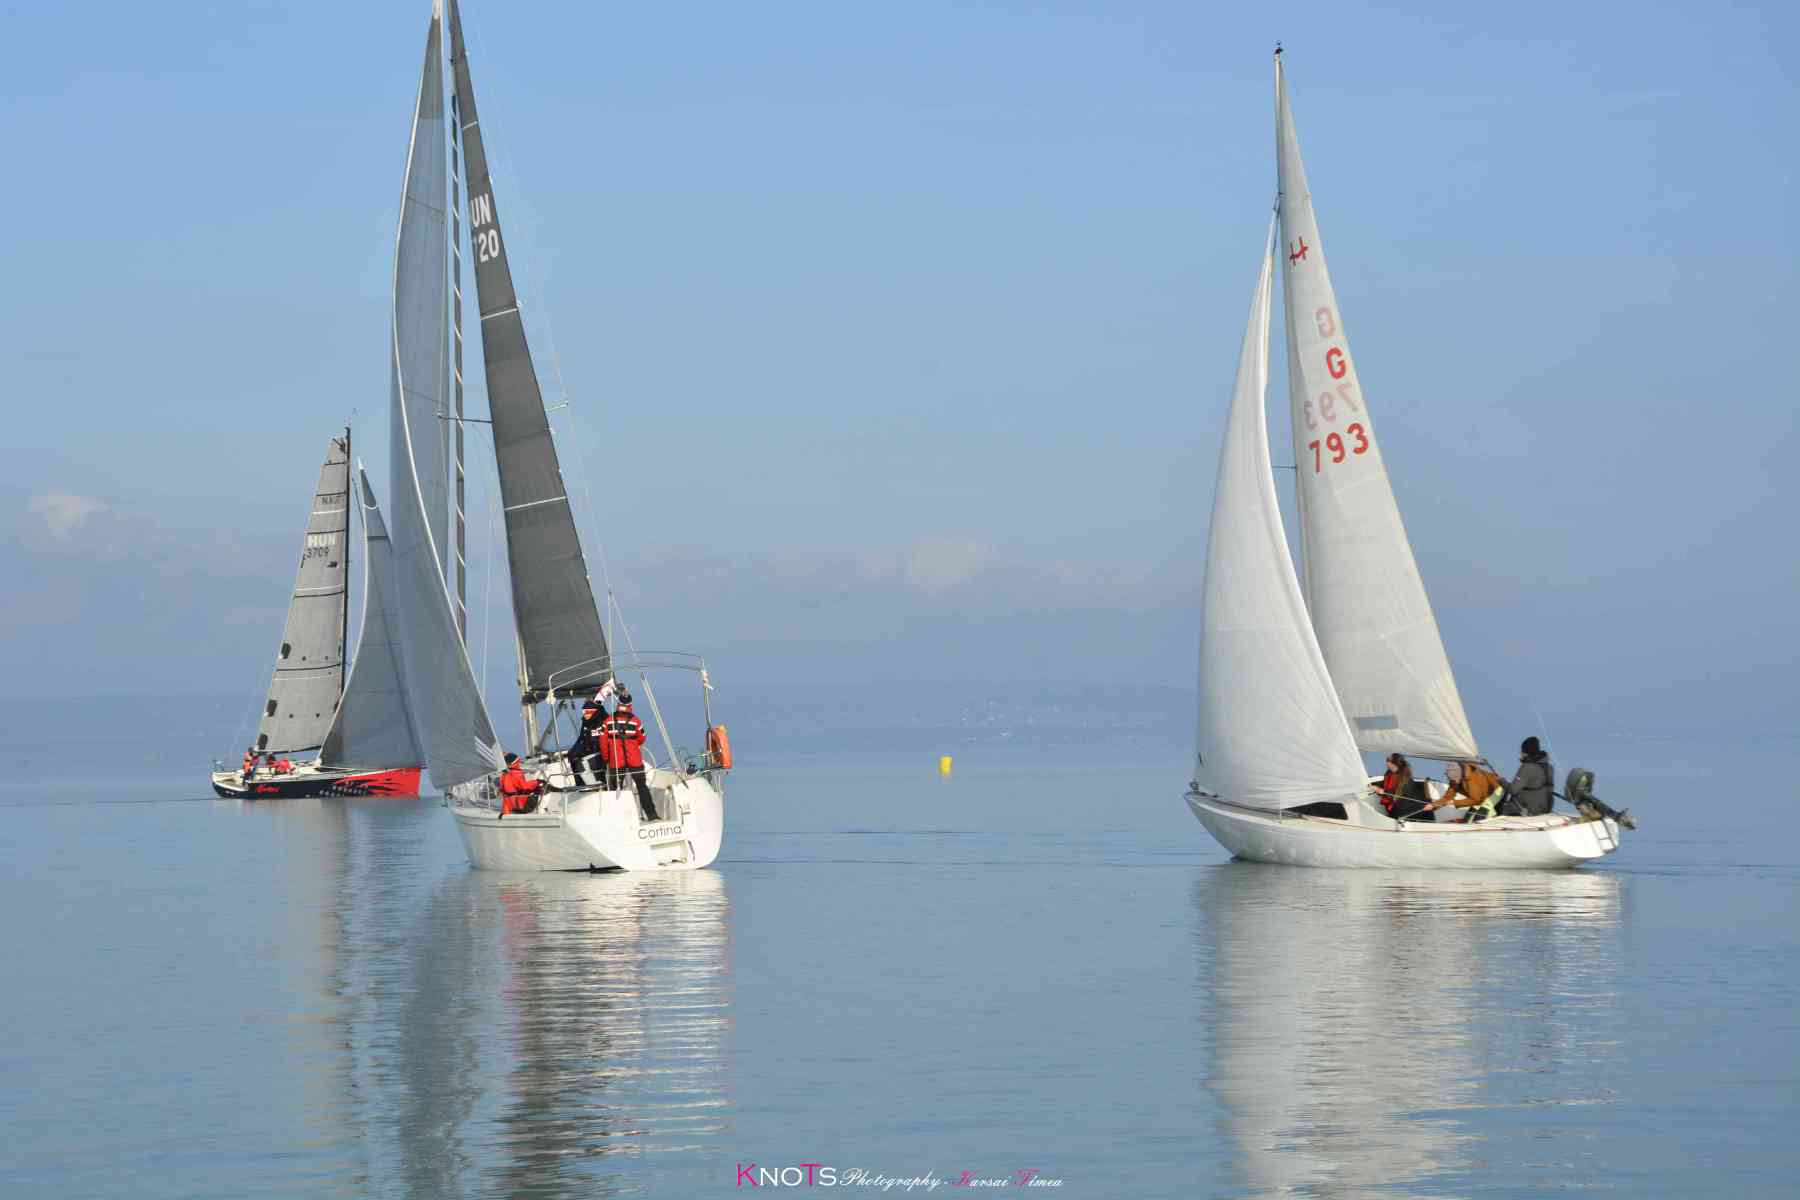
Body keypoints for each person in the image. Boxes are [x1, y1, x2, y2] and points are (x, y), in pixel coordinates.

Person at [603, 691, 657, 821]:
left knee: (615, 790)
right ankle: (652, 815)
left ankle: (618, 819)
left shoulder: (608, 721)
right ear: (630, 704)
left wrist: (606, 758)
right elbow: (642, 738)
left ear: (618, 703)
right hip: (635, 760)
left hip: (616, 761)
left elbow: (603, 742)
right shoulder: (635, 721)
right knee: (642, 786)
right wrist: (632, 745)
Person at [1497, 736, 1555, 816]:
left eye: (1522, 751)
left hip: (1526, 809)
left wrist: (1502, 781)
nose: (1520, 753)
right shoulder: (1549, 767)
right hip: (1546, 809)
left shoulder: (1527, 767)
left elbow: (1513, 790)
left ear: (1526, 752)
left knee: (1498, 807)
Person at [1427, 760, 1502, 821]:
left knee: (1482, 813)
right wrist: (1433, 805)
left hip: (1497, 790)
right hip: (1481, 797)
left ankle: (1493, 821)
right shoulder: (1454, 780)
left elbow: (1477, 800)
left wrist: (1454, 802)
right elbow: (1447, 798)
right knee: (1468, 818)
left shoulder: (1472, 778)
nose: (1451, 780)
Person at [567, 695, 607, 784]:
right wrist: (573, 752)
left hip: (598, 751)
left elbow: (597, 740)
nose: (585, 714)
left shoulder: (601, 721)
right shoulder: (586, 723)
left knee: (582, 764)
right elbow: (582, 739)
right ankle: (581, 785)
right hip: (590, 750)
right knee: (573, 758)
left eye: (587, 712)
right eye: (584, 712)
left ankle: (595, 785)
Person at [498, 752, 542, 817]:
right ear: (516, 762)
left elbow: (502, 789)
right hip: (520, 804)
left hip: (508, 804)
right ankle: (541, 811)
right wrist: (537, 782)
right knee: (539, 790)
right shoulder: (517, 773)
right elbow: (525, 786)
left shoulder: (504, 774)